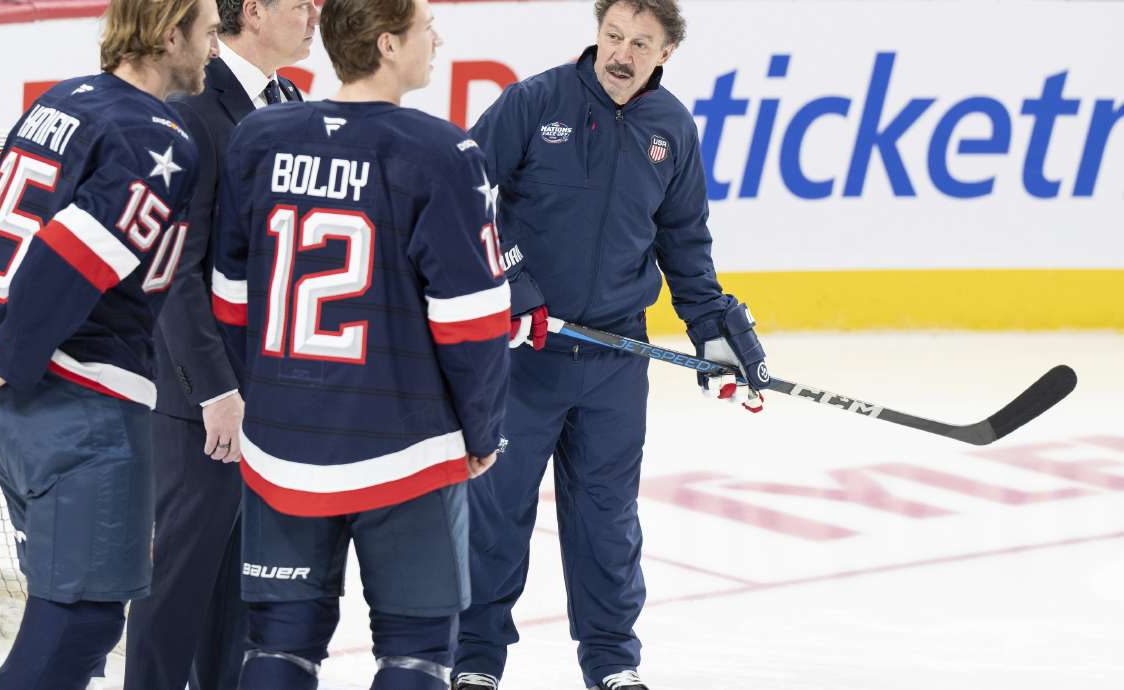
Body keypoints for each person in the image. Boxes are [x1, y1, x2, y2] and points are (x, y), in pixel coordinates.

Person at [451, 1, 769, 689]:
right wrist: (515, 283)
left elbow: (685, 240)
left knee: (608, 520)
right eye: (613, 36)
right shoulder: (534, 102)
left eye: (640, 43)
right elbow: (466, 193)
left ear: (666, 53)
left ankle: (612, 664)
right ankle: (475, 665)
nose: (620, 53)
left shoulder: (671, 128)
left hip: (616, 360)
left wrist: (713, 328)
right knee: (495, 513)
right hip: (523, 356)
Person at [209, 0, 509, 687]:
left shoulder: (261, 136)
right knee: (416, 653)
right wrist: (484, 430)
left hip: (281, 450)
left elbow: (230, 297)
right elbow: (474, 325)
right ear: (387, 45)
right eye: (425, 27)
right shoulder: (444, 152)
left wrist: (271, 402)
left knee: (278, 648)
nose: (437, 38)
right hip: (405, 451)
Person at [0, 1, 219, 688]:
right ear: (170, 31)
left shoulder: (61, 102)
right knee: (82, 620)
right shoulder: (157, 134)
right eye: (207, 30)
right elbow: (73, 254)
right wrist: (9, 358)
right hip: (81, 407)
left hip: (15, 417)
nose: (213, 45)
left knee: (62, 605)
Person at [124, 0, 315, 688]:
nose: (315, 13)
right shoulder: (194, 110)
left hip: (266, 398)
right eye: (302, 3)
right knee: (174, 590)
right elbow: (173, 269)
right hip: (199, 403)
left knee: (237, 594)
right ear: (255, 11)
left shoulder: (288, 99)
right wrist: (215, 389)